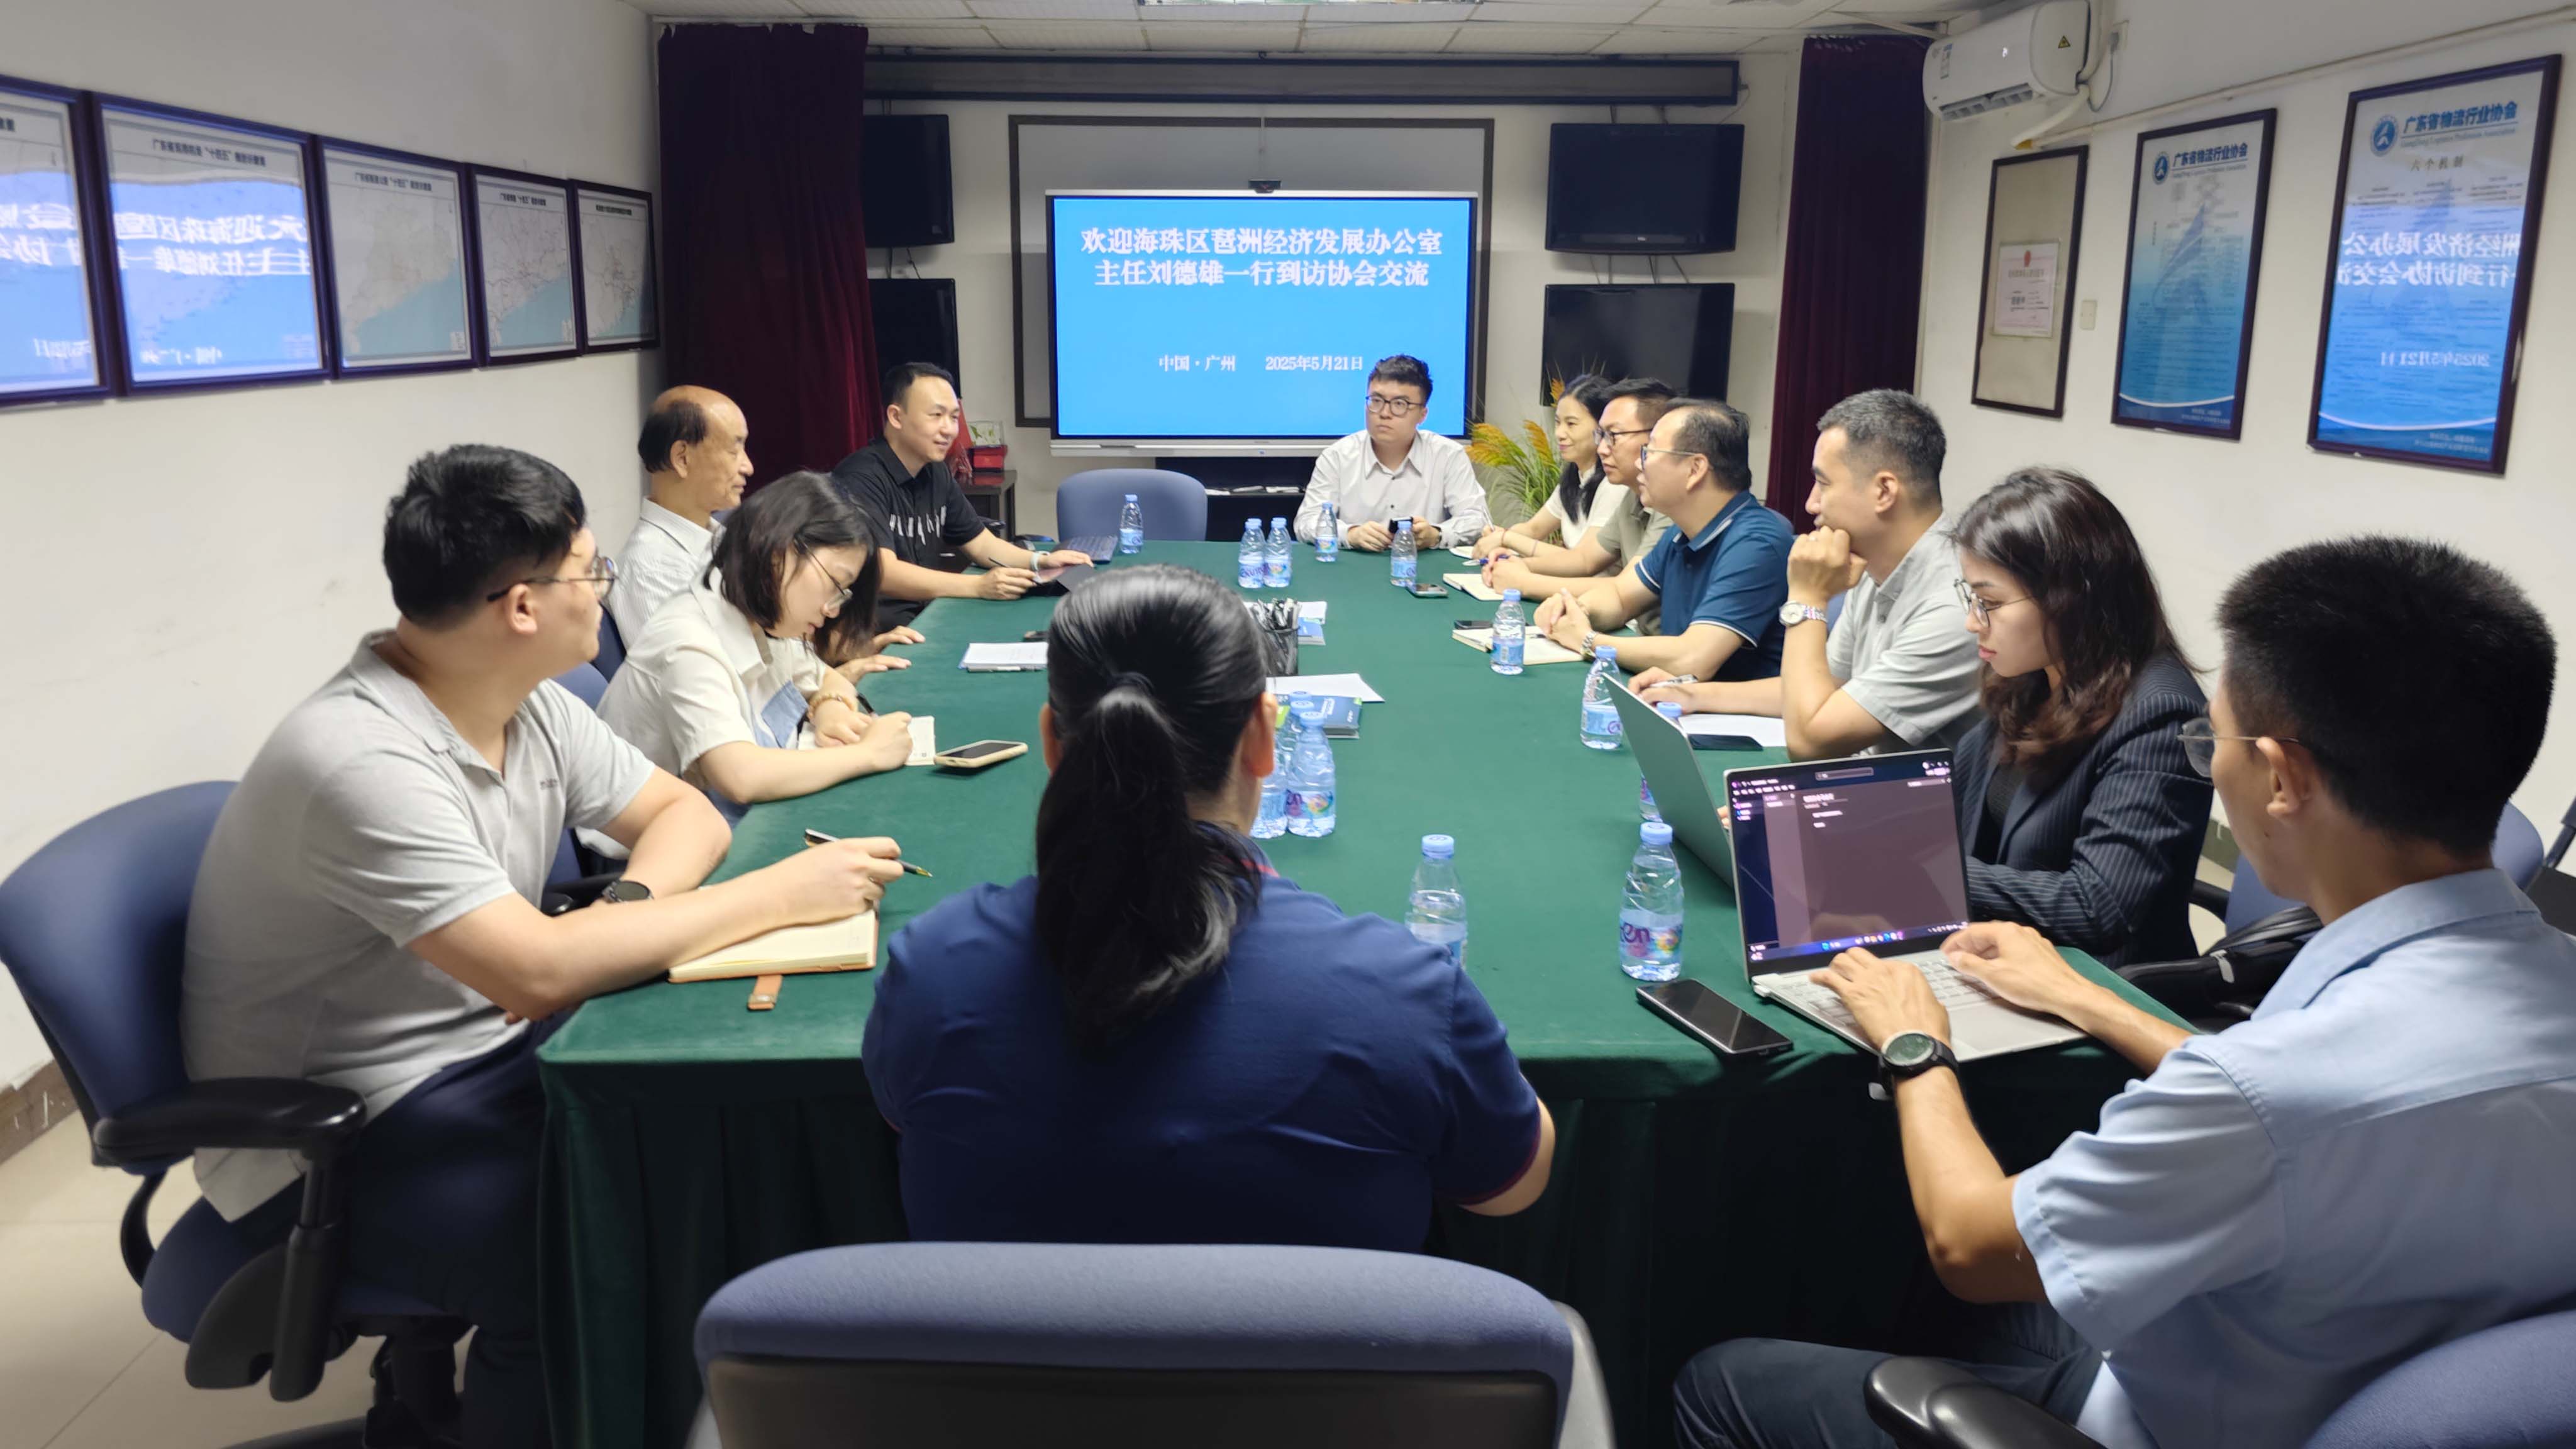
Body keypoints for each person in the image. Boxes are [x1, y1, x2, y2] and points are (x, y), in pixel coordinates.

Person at [1672, 536, 2576, 1449]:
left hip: (2165, 1418)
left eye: (2214, 740)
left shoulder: (2264, 1097)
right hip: (2324, 1369)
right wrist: (2084, 997)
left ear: (2281, 776)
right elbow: (2306, 1105)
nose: (2209, 763)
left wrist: (1916, 1043)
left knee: (1720, 1379)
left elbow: (1972, 1245)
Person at [182, 445, 908, 1448]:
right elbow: (535, 973)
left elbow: (685, 817)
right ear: (523, 605)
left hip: (483, 1056)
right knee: (599, 1246)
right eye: (592, 570)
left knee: (706, 1160)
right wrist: (775, 895)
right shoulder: (360, 760)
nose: (605, 591)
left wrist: (622, 912)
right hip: (349, 1138)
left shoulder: (528, 702)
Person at [862, 564, 1555, 1250]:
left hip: (1000, 1333)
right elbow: (1511, 1189)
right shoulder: (1408, 996)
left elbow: (900, 1117)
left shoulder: (932, 972)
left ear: (1052, 743)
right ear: (1263, 739)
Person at [1945, 469, 2209, 967]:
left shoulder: (2160, 714)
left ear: (2069, 600)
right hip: (2002, 958)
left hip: (2097, 982)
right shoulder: (2030, 675)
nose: (1972, 621)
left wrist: (1937, 876)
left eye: (1990, 603)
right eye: (1972, 598)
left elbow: (2097, 906)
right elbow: (1954, 816)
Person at [1634, 389, 1982, 759]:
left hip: (1904, 796)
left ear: (1884, 491)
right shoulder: (1873, 564)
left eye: (1824, 484)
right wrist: (1692, 694)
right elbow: (1825, 687)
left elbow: (1810, 742)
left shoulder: (1955, 607)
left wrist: (1807, 599)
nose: (1811, 503)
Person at [598, 472, 917, 818]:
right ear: (780, 551)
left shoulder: (763, 616)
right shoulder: (689, 641)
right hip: (657, 841)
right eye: (835, 584)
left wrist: (832, 709)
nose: (832, 609)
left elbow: (826, 677)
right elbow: (740, 776)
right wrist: (869, 754)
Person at [1528, 399, 1792, 679]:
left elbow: (1693, 658)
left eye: (1649, 452)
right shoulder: (1681, 532)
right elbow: (1620, 597)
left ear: (1695, 469)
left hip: (1725, 706)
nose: (1638, 464)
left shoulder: (1757, 544)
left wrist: (1588, 640)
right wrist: (1577, 609)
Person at [830, 362, 1091, 628]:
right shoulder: (859, 477)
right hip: (876, 631)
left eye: (954, 417)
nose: (949, 430)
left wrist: (1040, 561)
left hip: (926, 617)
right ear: (896, 417)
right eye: (936, 415)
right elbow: (884, 572)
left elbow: (980, 544)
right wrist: (978, 585)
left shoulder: (935, 471)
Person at [1480, 377, 1677, 625]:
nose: (1602, 447)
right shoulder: (1631, 493)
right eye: (1601, 435)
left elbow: (1623, 589)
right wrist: (1519, 565)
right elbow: (1585, 560)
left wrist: (1525, 581)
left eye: (1613, 435)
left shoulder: (1670, 505)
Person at [1292, 354, 1490, 551]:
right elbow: (1307, 522)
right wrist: (1350, 534)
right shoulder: (1337, 456)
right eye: (1376, 401)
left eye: (1399, 404)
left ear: (1422, 415)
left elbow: (1477, 520)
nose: (1384, 413)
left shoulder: (1448, 455)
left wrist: (1437, 534)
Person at [609, 386, 753, 645]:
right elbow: (691, 669)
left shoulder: (720, 536)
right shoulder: (651, 570)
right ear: (682, 459)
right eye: (734, 452)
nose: (748, 467)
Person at [1474, 375, 1613, 562]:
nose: (1559, 433)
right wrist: (1500, 535)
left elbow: (1582, 561)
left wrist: (1507, 539)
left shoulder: (1613, 484)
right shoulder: (1574, 477)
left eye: (1571, 424)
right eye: (1558, 422)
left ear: (1602, 427)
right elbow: (1534, 529)